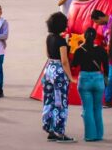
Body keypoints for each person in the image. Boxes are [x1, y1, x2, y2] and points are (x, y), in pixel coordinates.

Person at [42, 12, 76, 143]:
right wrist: (71, 77)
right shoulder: (61, 41)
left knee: (48, 99)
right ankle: (60, 132)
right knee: (60, 102)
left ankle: (49, 129)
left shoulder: (49, 37)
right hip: (59, 72)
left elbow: (47, 53)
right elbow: (65, 61)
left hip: (49, 68)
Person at [72, 27, 108, 142]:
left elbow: (74, 64)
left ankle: (90, 135)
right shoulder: (101, 50)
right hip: (98, 79)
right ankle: (99, 135)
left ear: (84, 36)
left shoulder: (79, 50)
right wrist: (106, 78)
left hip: (85, 80)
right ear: (95, 37)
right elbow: (106, 66)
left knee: (87, 109)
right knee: (98, 108)